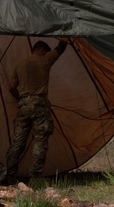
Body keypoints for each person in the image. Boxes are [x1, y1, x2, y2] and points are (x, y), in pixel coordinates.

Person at [4, 38, 69, 185]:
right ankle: (35, 177)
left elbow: (11, 86)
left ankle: (10, 176)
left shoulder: (20, 65)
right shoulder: (45, 60)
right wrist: (65, 35)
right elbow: (61, 48)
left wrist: (20, 98)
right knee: (40, 140)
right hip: (39, 104)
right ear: (42, 51)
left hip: (23, 105)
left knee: (18, 143)